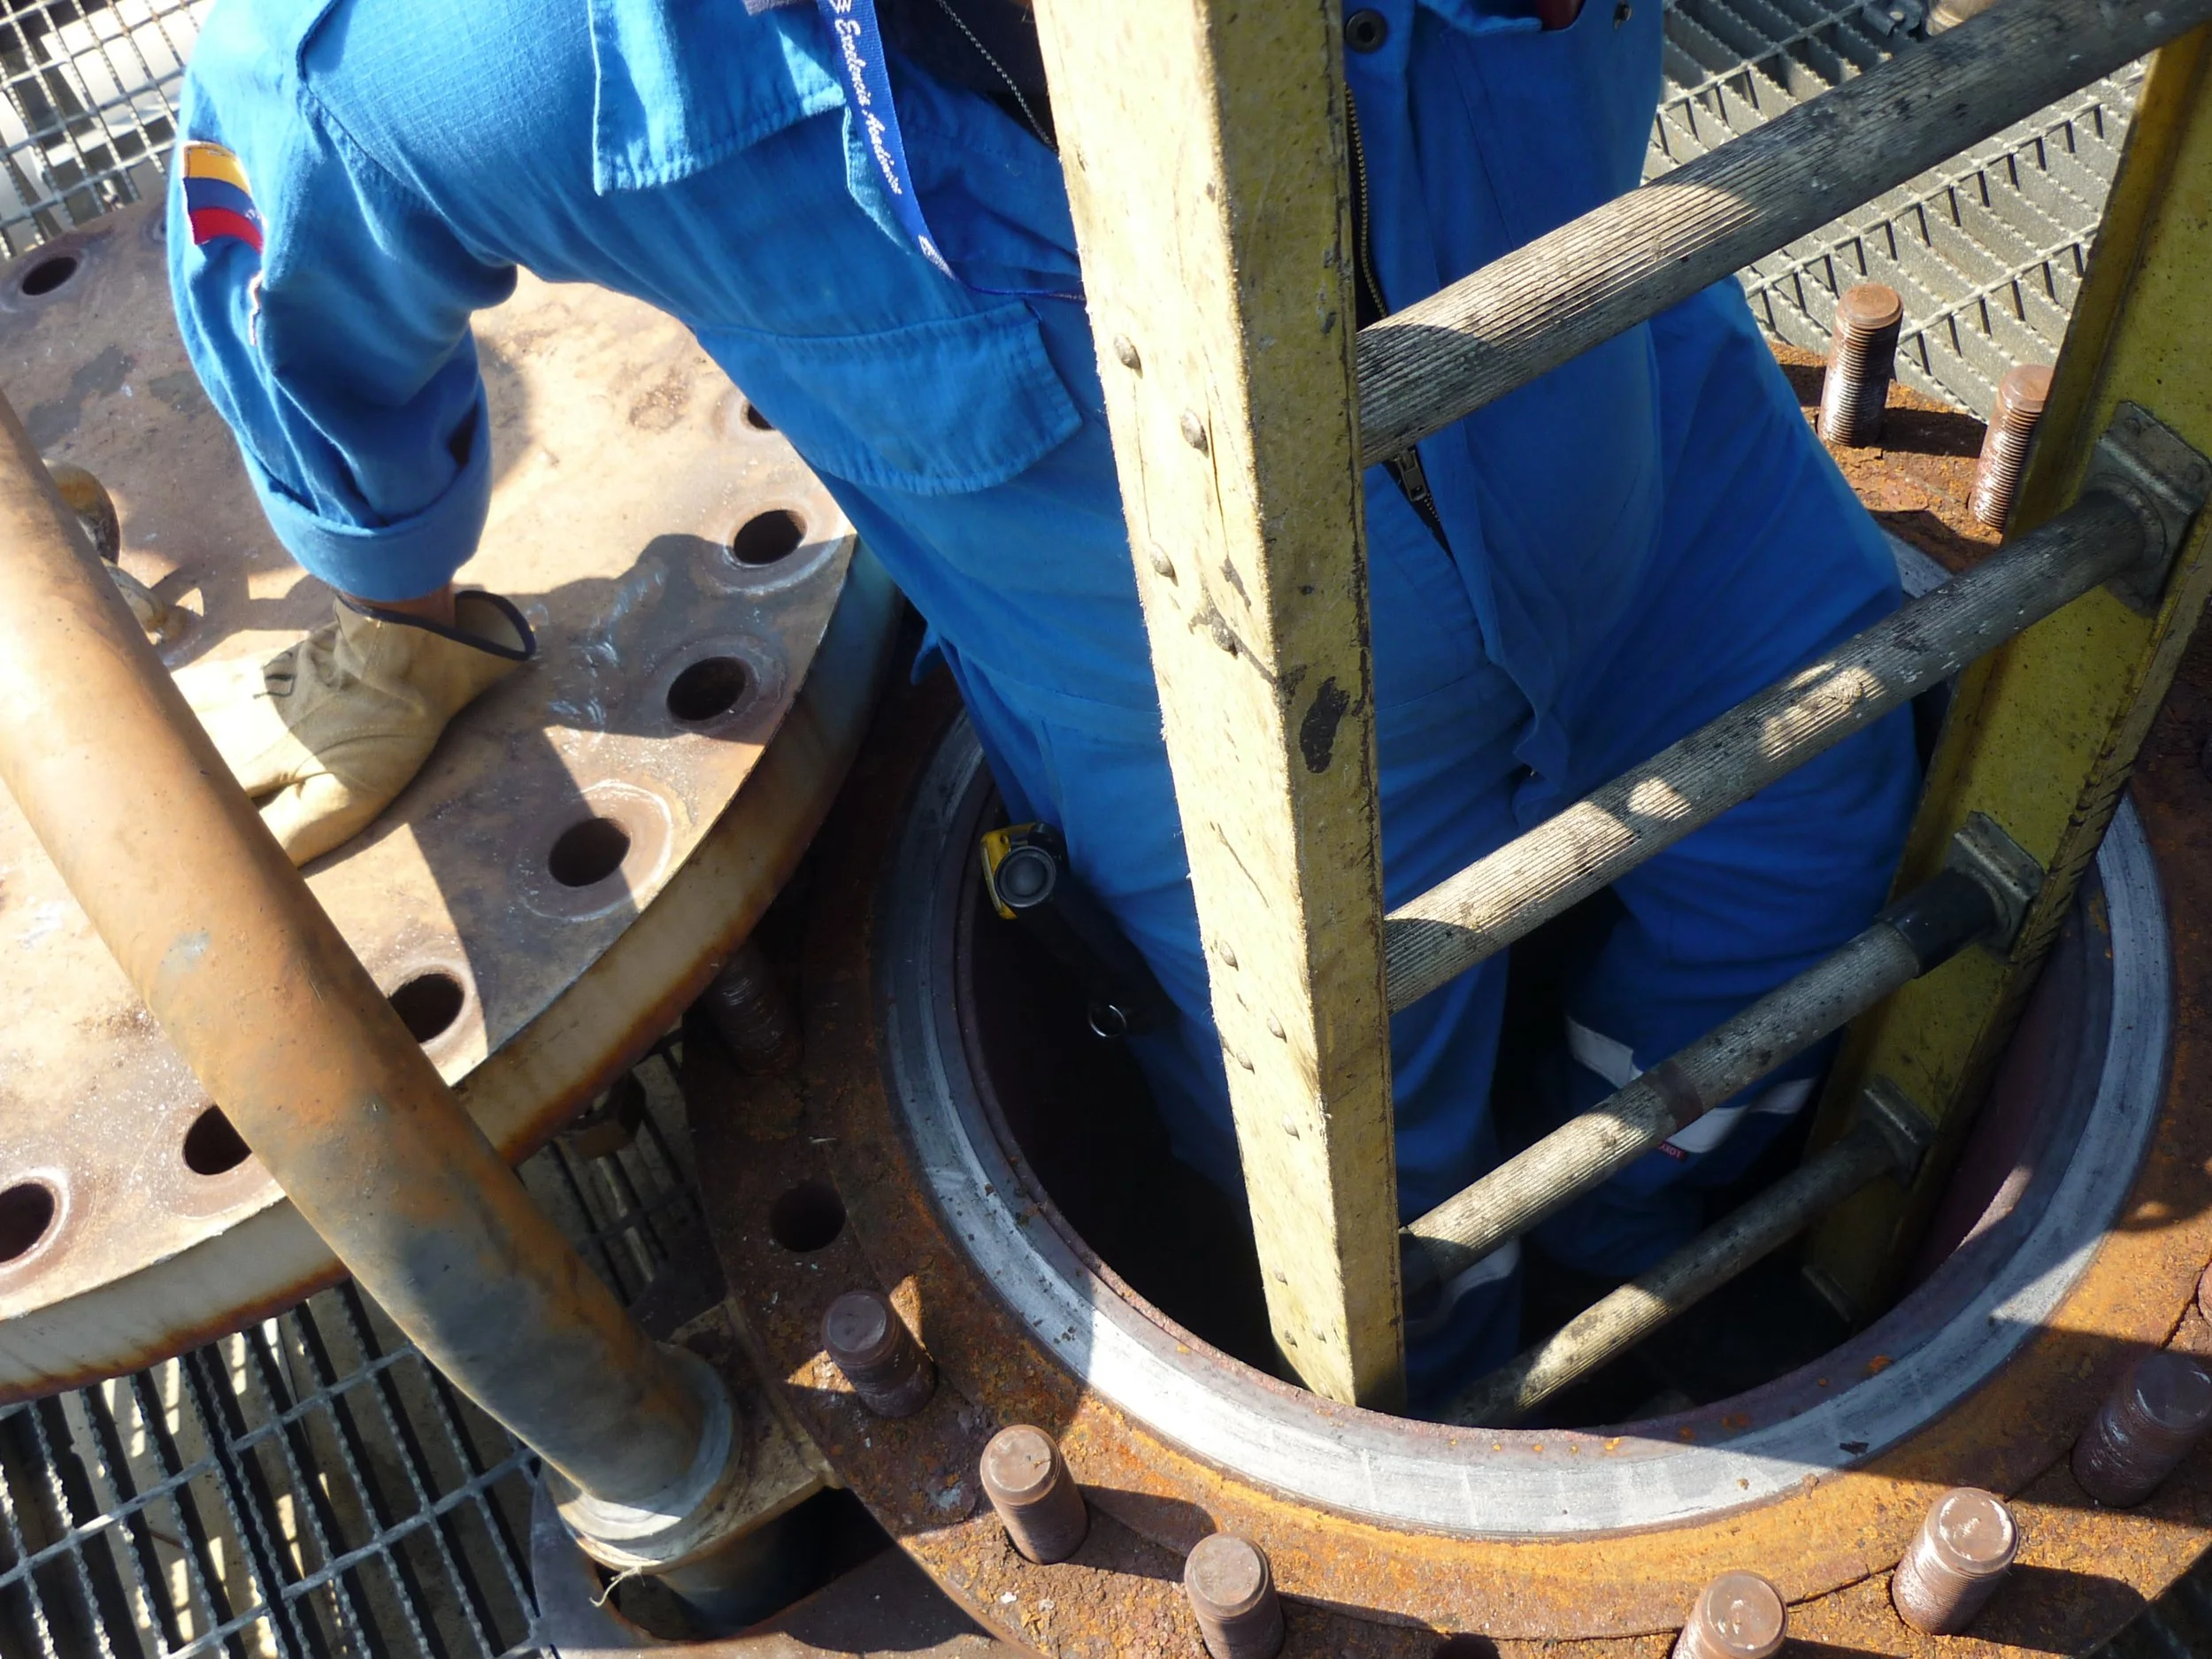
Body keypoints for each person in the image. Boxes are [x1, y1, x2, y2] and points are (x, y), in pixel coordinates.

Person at [165, 0, 1916, 1405]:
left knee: (1814, 847)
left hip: (1639, 454)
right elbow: (291, 213)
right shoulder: (466, 50)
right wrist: (395, 594)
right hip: (1193, 720)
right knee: (1357, 1225)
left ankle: (1633, 1257)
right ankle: (1475, 1411)